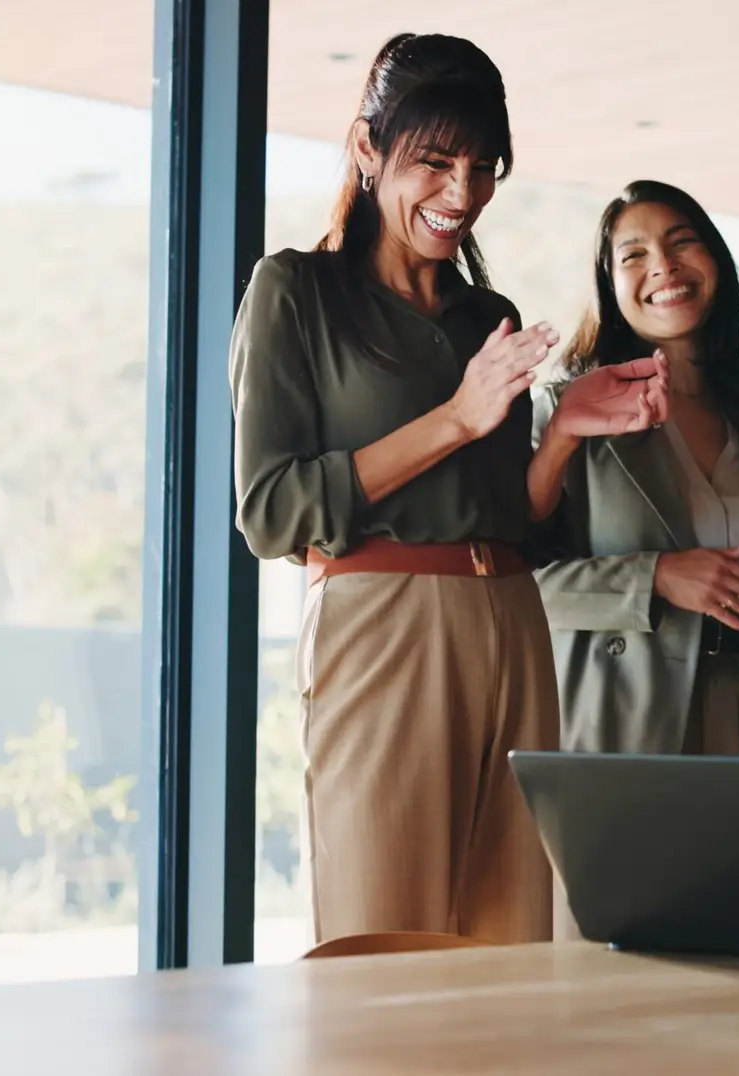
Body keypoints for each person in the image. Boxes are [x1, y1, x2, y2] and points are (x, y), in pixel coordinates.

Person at [228, 34, 668, 945]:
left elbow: (514, 519)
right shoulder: (297, 292)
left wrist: (565, 428)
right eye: (433, 162)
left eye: (482, 167)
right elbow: (270, 513)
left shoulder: (486, 318)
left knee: (511, 948)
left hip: (512, 621)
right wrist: (457, 419)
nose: (461, 194)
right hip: (381, 622)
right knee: (380, 946)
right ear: (367, 148)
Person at [532, 180, 739, 765]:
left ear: (714, 259)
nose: (664, 266)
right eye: (634, 255)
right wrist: (657, 577)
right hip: (619, 721)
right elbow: (514, 586)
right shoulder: (569, 413)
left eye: (681, 242)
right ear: (608, 284)